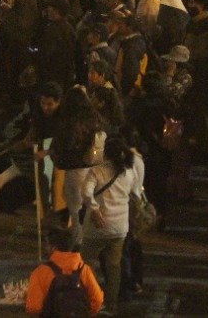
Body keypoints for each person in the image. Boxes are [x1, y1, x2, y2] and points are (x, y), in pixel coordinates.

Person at [80, 134, 144, 315]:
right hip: (119, 227)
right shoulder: (129, 171)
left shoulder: (98, 170)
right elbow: (135, 194)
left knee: (86, 263)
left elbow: (86, 191)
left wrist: (93, 208)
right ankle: (112, 304)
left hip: (97, 227)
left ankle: (92, 299)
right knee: (114, 267)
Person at [24, 222, 104, 316]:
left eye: (47, 245)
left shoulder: (40, 272)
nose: (45, 248)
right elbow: (98, 300)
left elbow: (33, 308)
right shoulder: (84, 270)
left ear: (53, 248)